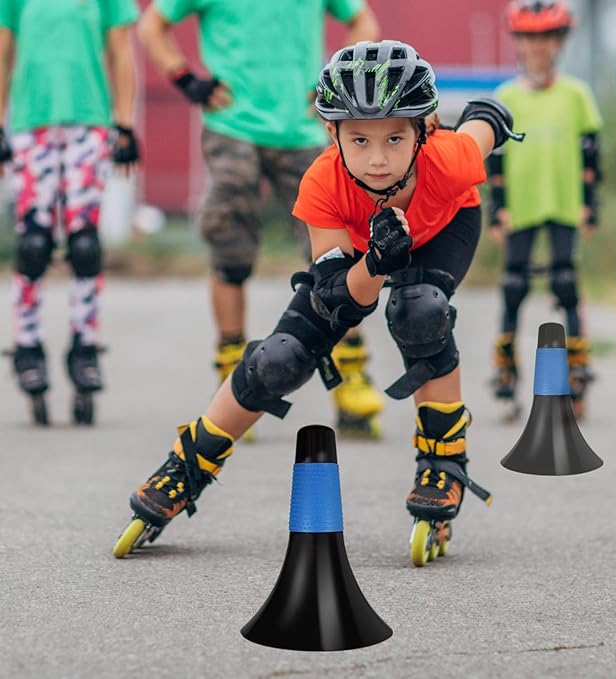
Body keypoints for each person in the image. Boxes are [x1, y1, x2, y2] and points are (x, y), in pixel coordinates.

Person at [113, 40, 524, 565]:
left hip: (445, 225)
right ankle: (187, 466)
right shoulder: (322, 184)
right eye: (359, 140)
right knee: (279, 358)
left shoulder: (450, 159)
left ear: (424, 130)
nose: (378, 159)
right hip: (363, 254)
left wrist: (491, 113)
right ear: (332, 134)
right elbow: (342, 302)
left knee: (420, 310)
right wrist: (377, 262)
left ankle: (443, 463)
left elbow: (483, 126)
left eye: (395, 138)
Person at [138, 0, 385, 439]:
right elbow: (153, 25)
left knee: (335, 255)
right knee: (230, 254)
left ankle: (351, 375)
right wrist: (186, 79)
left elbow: (362, 19)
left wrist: (339, 82)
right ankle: (233, 376)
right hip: (233, 128)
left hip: (302, 130)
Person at [0, 0, 141, 425]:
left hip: (89, 124)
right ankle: (28, 344)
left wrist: (125, 124)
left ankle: (84, 346)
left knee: (84, 246)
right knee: (33, 243)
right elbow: (3, 54)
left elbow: (121, 53)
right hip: (31, 124)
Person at [488, 0, 603, 420]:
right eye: (530, 37)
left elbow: (590, 154)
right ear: (518, 42)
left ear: (560, 41)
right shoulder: (506, 97)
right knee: (513, 286)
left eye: (547, 37)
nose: (539, 46)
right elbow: (495, 158)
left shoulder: (576, 95)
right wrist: (497, 208)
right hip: (521, 205)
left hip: (563, 202)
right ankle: (506, 375)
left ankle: (577, 374)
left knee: (566, 283)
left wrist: (591, 204)